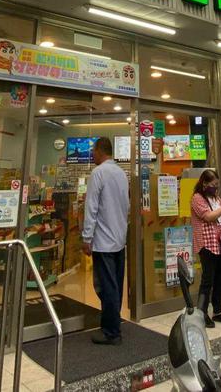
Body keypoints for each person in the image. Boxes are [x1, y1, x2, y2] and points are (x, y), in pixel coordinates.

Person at [81, 137, 129, 346]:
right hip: (119, 239)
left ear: (100, 151)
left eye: (93, 151)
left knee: (106, 286)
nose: (92, 155)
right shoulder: (121, 173)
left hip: (103, 241)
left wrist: (86, 237)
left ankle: (111, 331)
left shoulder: (98, 173)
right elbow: (126, 206)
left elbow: (91, 207)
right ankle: (114, 321)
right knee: (115, 284)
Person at [190, 168, 221, 328]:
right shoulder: (197, 198)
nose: (216, 187)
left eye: (217, 184)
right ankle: (201, 313)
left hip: (220, 243)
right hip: (206, 244)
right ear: (204, 184)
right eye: (213, 184)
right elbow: (208, 217)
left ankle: (217, 312)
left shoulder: (216, 198)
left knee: (219, 278)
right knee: (207, 280)